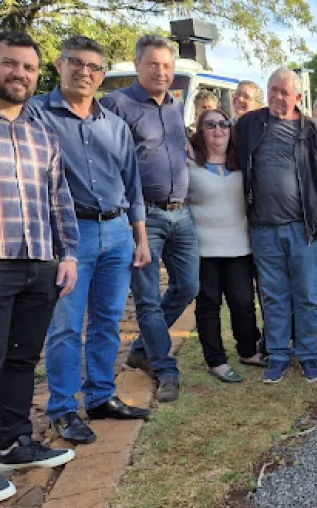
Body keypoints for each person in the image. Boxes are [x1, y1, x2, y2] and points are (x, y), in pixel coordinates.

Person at [35, 35, 151, 445]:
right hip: (69, 235)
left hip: (118, 232)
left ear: (102, 76)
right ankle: (64, 408)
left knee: (108, 322)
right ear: (59, 64)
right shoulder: (36, 116)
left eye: (94, 67)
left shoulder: (115, 126)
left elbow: (132, 185)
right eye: (76, 63)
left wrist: (140, 237)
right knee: (66, 327)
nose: (85, 72)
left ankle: (101, 396)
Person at [0, 31, 78, 504]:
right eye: (10, 64)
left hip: (40, 261)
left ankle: (13, 442)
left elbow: (58, 198)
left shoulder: (42, 128)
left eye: (28, 67)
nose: (19, 74)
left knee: (22, 359)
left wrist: (68, 254)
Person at [102, 34, 198, 403]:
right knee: (146, 298)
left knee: (187, 286)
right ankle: (164, 367)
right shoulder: (118, 104)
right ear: (137, 64)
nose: (161, 71)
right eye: (153, 64)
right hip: (143, 217)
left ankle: (142, 348)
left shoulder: (175, 105)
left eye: (167, 65)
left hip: (181, 214)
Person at [235, 67, 317, 384]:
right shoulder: (250, 124)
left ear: (298, 97)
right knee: (273, 296)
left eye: (286, 92)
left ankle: (308, 355)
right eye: (274, 90)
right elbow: (219, 145)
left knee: (306, 295)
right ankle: (279, 355)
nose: (279, 97)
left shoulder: (312, 130)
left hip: (303, 227)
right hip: (263, 228)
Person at [188, 108, 265, 382]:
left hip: (239, 245)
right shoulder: (188, 162)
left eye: (223, 124)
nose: (217, 130)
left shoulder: (241, 161)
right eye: (210, 125)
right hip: (203, 248)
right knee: (208, 305)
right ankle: (216, 360)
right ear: (201, 130)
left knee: (244, 302)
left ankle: (247, 350)